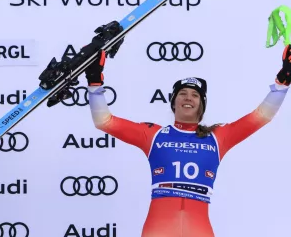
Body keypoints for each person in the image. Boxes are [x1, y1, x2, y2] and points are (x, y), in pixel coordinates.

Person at [84, 45, 291, 237]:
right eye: (182, 94)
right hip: (158, 227)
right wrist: (95, 83)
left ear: (201, 105)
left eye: (195, 95)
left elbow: (262, 115)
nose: (188, 98)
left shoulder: (218, 137)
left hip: (199, 228)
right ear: (173, 102)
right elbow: (104, 121)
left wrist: (282, 83)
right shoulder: (154, 135)